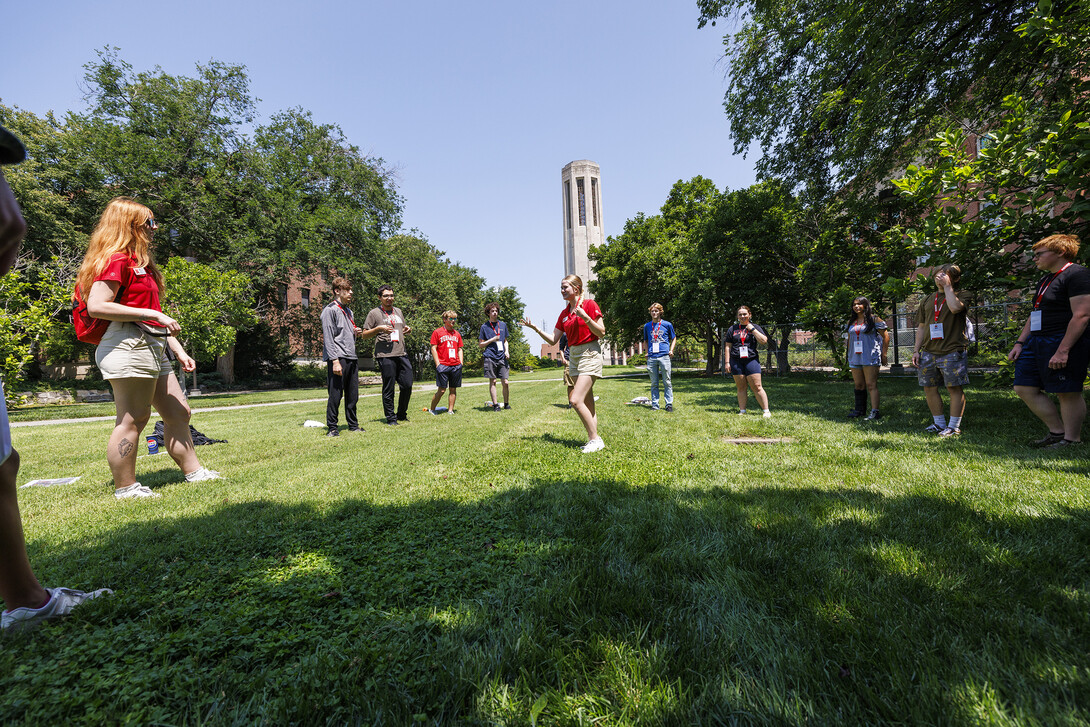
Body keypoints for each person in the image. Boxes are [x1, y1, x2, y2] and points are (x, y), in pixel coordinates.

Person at [0, 124, 111, 630]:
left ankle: (26, 599)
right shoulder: (114, 261)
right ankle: (28, 601)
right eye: (149, 222)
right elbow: (9, 225)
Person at [79, 198, 220, 498]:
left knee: (179, 413)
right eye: (149, 223)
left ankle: (194, 471)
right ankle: (126, 487)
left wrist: (178, 350)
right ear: (130, 226)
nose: (155, 228)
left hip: (151, 344)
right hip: (127, 344)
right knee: (133, 419)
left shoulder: (141, 263)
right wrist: (153, 315)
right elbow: (97, 305)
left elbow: (153, 313)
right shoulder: (115, 259)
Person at [1008, 234, 1090, 447]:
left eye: (1039, 254)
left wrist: (1063, 350)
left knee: (1067, 391)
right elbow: (1035, 313)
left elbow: (1082, 315)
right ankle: (1057, 432)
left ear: (1060, 252)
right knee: (1023, 387)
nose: (1034, 258)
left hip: (1061, 341)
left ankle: (1072, 440)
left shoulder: (1077, 275)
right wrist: (1020, 343)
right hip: (1036, 341)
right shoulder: (1045, 279)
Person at [522, 275, 607, 452]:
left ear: (576, 288)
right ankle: (594, 439)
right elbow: (553, 340)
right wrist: (536, 329)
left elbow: (601, 332)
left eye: (565, 287)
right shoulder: (565, 313)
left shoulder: (590, 305)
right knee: (588, 401)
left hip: (589, 353)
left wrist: (585, 317)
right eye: (561, 288)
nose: (562, 291)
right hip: (574, 355)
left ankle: (595, 439)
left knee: (575, 400)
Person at [911, 264, 969, 437]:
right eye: (938, 273)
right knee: (929, 387)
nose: (940, 276)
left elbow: (955, 308)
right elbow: (921, 327)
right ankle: (939, 423)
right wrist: (916, 350)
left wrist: (948, 287)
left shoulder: (962, 295)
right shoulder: (928, 299)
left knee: (954, 388)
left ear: (955, 279)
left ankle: (954, 426)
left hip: (952, 350)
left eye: (946, 274)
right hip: (928, 351)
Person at [362, 285, 413, 425]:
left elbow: (400, 328)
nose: (389, 298)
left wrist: (406, 329)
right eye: (386, 296)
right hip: (385, 355)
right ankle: (391, 418)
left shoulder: (398, 311)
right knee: (389, 387)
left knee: (407, 385)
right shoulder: (374, 313)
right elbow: (364, 335)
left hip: (401, 353)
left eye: (391, 295)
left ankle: (401, 414)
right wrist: (378, 329)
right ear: (380, 297)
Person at [320, 277, 363, 436]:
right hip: (338, 358)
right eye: (348, 290)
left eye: (351, 290)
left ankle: (353, 425)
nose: (351, 293)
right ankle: (332, 428)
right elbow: (329, 338)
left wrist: (355, 332)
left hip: (351, 357)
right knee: (336, 395)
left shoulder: (348, 311)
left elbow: (344, 334)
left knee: (353, 395)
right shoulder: (329, 310)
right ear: (337, 291)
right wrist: (335, 361)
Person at [845, 297, 890, 420]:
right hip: (855, 357)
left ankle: (875, 412)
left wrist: (883, 354)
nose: (856, 306)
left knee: (871, 384)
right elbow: (850, 339)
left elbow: (886, 336)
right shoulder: (851, 321)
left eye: (859, 304)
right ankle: (859, 410)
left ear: (865, 305)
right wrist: (848, 355)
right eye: (854, 304)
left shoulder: (874, 319)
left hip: (870, 357)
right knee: (858, 384)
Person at [726, 306, 771, 417]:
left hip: (751, 360)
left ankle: (766, 411)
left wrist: (752, 329)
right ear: (737, 316)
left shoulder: (755, 327)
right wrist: (727, 362)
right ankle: (742, 411)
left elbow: (764, 341)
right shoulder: (732, 329)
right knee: (741, 387)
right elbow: (728, 347)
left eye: (745, 314)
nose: (742, 316)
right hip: (736, 361)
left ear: (749, 315)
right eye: (740, 314)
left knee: (757, 386)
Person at [429, 311, 463, 414]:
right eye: (450, 319)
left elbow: (460, 349)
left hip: (455, 365)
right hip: (443, 365)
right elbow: (433, 348)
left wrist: (461, 362)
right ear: (444, 320)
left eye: (455, 319)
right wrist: (438, 364)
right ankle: (432, 409)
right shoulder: (437, 332)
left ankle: (450, 410)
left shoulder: (457, 334)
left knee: (453, 389)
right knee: (442, 390)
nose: (453, 321)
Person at [644, 303, 676, 411]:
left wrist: (671, 350)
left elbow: (674, 338)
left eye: (656, 311)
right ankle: (655, 405)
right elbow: (645, 340)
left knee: (667, 381)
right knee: (654, 383)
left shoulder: (667, 325)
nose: (654, 313)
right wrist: (647, 351)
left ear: (660, 312)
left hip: (664, 356)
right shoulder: (647, 326)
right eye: (652, 311)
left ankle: (668, 404)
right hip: (652, 357)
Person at [479, 302, 511, 410]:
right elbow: (481, 345)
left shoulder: (502, 325)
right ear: (488, 313)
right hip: (490, 356)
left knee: (505, 382)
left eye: (496, 311)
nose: (495, 313)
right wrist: (492, 339)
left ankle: (506, 404)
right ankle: (496, 405)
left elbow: (506, 341)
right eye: (492, 311)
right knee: (493, 381)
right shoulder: (484, 327)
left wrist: (507, 351)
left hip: (502, 356)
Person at [557, 332, 574, 407]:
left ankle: (583, 401)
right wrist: (563, 358)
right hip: (569, 360)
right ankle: (571, 403)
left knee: (582, 382)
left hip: (580, 359)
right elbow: (561, 348)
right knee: (570, 384)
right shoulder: (564, 334)